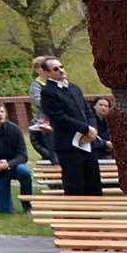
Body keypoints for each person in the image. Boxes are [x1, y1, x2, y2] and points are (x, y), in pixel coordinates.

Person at [38, 58, 106, 196]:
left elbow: (88, 111)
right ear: (47, 73)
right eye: (56, 69)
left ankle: (96, 209)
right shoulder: (48, 92)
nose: (61, 70)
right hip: (68, 145)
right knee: (75, 185)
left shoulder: (74, 88)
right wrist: (85, 129)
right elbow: (59, 117)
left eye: (61, 67)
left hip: (87, 143)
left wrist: (92, 130)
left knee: (94, 184)